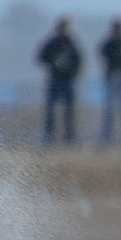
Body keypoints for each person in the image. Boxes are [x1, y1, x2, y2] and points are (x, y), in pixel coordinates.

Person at [36, 16, 83, 145]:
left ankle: (69, 136)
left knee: (69, 111)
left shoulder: (72, 43)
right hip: (55, 80)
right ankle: (49, 135)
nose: (64, 30)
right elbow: (41, 57)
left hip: (68, 81)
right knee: (51, 111)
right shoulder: (52, 43)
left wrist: (74, 73)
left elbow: (79, 60)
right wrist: (52, 63)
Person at [98, 17, 121, 144]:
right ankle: (107, 135)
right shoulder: (109, 44)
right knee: (110, 108)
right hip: (112, 77)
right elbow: (103, 55)